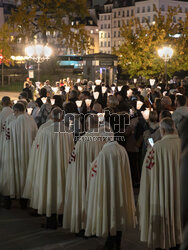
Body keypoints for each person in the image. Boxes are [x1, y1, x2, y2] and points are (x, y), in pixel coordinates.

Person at [24, 108, 74, 229]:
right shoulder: (68, 131)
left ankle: (51, 221)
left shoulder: (45, 131)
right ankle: (62, 218)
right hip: (64, 165)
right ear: (62, 118)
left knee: (49, 189)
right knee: (62, 188)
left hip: (48, 164)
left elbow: (38, 149)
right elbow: (72, 149)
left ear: (51, 117)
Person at [85, 136, 137, 250]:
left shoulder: (105, 152)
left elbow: (95, 169)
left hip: (109, 187)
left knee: (110, 212)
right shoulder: (122, 149)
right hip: (120, 188)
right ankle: (117, 242)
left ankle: (110, 244)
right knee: (119, 212)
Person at [138, 118, 182, 250]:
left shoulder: (156, 148)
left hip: (162, 192)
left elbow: (147, 173)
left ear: (162, 130)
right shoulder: (183, 144)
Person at [63, 115, 106, 234]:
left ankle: (85, 225)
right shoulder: (105, 139)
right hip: (100, 177)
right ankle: (98, 226)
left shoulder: (82, 140)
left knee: (85, 198)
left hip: (84, 177)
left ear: (87, 124)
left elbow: (73, 161)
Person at [2, 103, 38, 209]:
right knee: (27, 175)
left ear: (16, 111)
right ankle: (24, 201)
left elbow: (7, 141)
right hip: (29, 154)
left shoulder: (12, 124)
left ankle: (13, 198)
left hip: (15, 156)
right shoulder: (31, 121)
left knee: (14, 175)